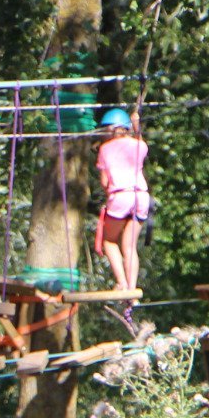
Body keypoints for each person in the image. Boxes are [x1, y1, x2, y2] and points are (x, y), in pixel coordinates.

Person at [94, 106, 150, 302]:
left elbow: (104, 182)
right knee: (129, 245)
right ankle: (132, 290)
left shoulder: (105, 149)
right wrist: (136, 125)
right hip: (141, 196)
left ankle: (122, 283)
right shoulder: (139, 145)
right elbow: (140, 143)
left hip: (120, 196)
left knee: (109, 241)